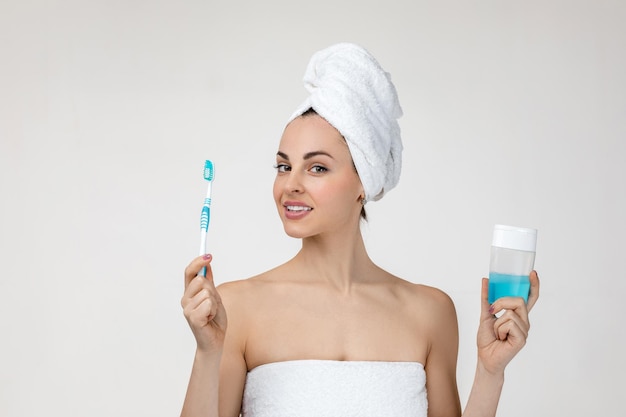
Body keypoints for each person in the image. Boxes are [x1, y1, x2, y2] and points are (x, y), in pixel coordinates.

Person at [180, 43, 540, 417]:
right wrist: (208, 353)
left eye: (317, 167)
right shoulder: (237, 307)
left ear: (363, 183)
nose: (291, 185)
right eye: (283, 166)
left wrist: (490, 372)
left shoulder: (430, 313)